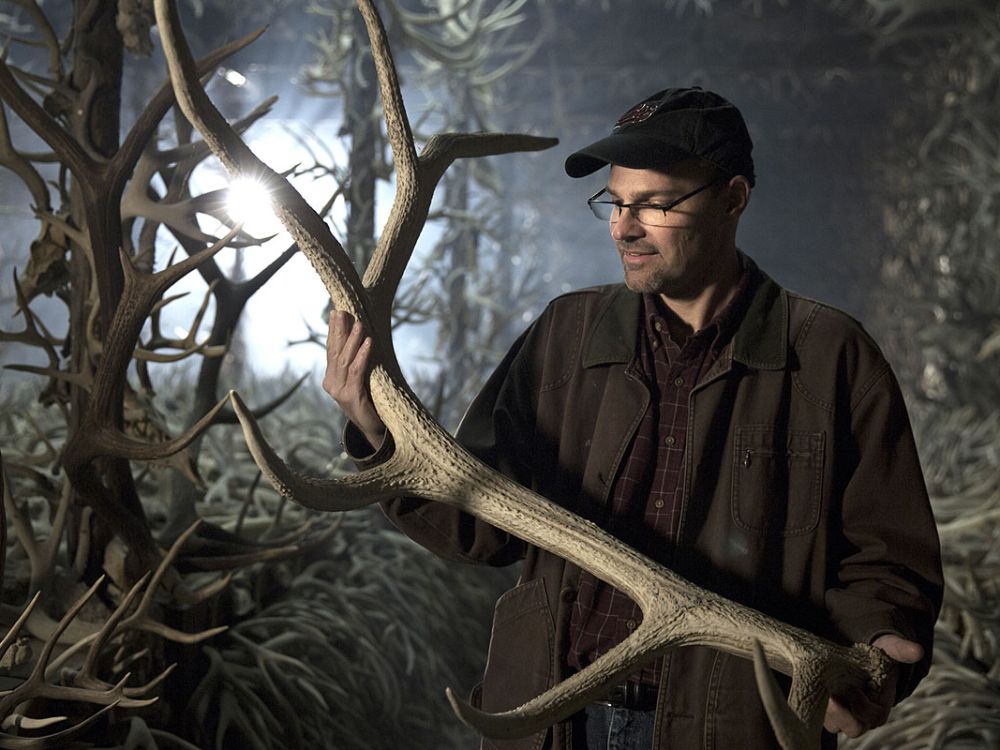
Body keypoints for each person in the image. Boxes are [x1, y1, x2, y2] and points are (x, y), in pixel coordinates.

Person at [323, 87, 943, 750]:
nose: (623, 228)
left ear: (733, 199)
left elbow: (886, 560)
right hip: (552, 721)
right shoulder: (566, 335)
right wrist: (377, 429)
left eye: (655, 204)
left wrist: (875, 651)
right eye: (615, 203)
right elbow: (478, 524)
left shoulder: (828, 358)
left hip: (727, 733)